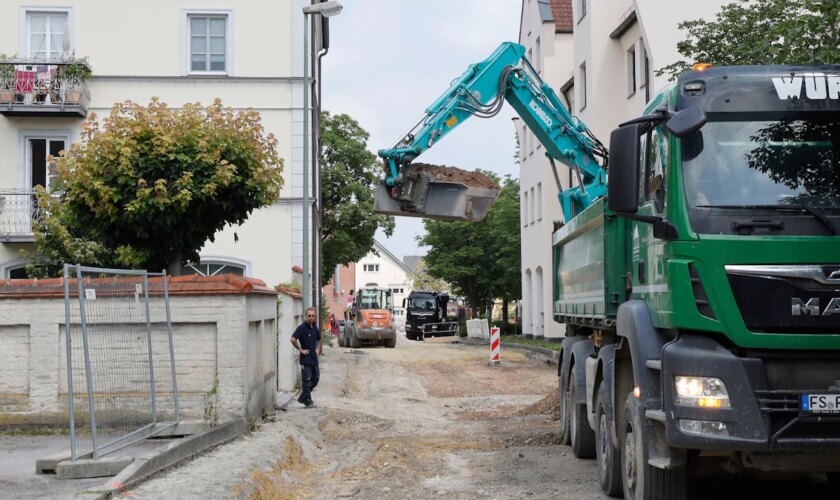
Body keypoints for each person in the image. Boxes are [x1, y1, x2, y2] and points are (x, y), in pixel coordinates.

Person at [291, 307, 321, 407]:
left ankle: (303, 396)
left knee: (316, 378)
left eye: (313, 315)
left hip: (314, 358)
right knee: (307, 380)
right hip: (305, 358)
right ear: (306, 316)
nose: (311, 317)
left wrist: (317, 348)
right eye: (309, 316)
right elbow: (293, 339)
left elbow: (319, 339)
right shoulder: (301, 328)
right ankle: (307, 401)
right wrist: (300, 349)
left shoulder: (315, 327)